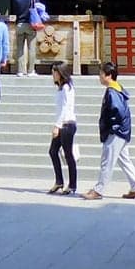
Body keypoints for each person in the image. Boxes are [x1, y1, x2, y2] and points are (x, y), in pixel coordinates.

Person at [85, 62, 135, 200]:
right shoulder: (117, 89)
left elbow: (117, 111)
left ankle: (99, 190)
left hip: (116, 131)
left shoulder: (112, 92)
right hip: (122, 130)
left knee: (107, 161)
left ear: (108, 76)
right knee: (124, 160)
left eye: (101, 74)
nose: (99, 77)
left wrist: (112, 127)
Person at [47, 65, 79, 195]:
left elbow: (65, 108)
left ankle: (72, 184)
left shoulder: (66, 87)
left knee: (68, 154)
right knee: (53, 151)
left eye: (54, 72)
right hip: (62, 123)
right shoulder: (60, 88)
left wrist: (57, 125)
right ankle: (59, 181)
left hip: (67, 124)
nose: (53, 75)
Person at [11, 0, 41, 75]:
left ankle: (20, 71)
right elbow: (38, 8)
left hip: (20, 23)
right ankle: (31, 70)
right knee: (31, 48)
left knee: (19, 48)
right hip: (31, 24)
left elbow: (15, 11)